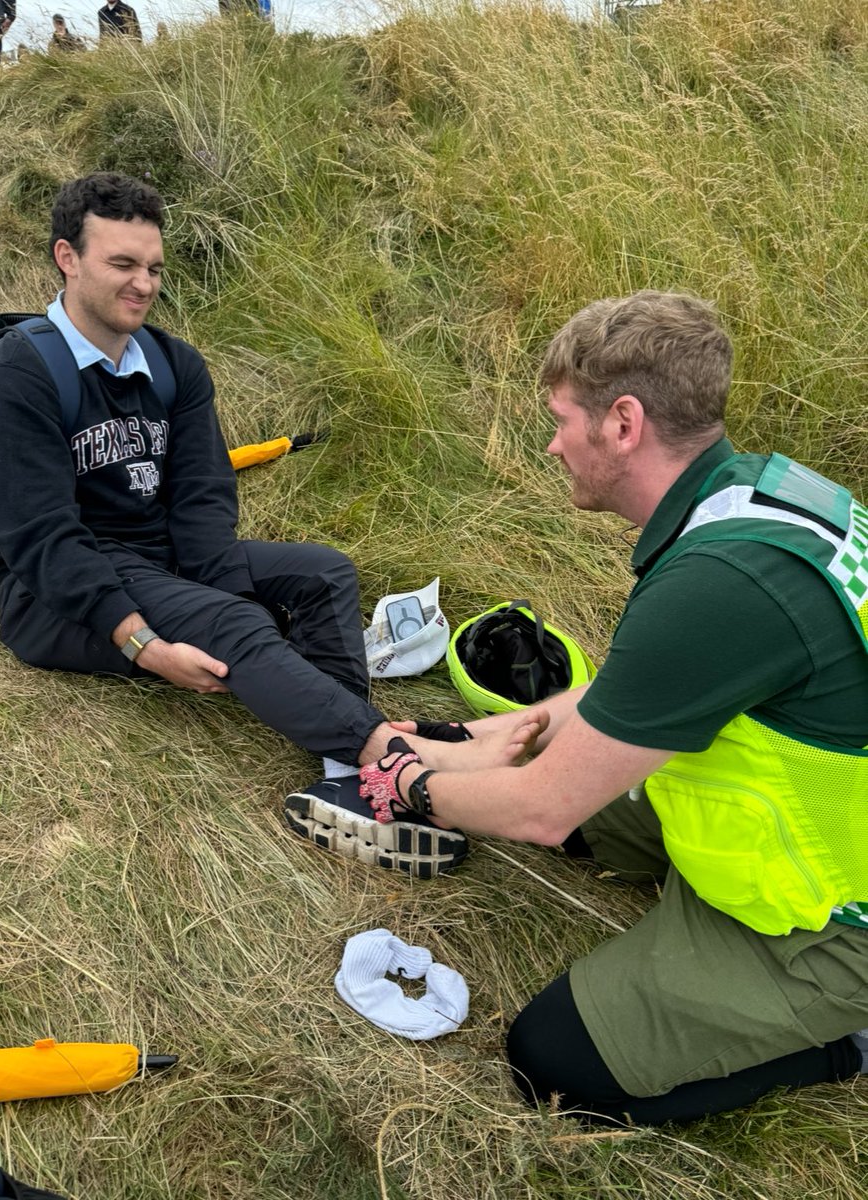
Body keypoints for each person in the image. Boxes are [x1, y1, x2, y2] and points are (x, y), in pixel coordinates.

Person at [346, 290, 868, 1125]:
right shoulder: (750, 499)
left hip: (840, 919)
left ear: (623, 423)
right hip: (798, 815)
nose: (552, 444)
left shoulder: (719, 588)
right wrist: (464, 738)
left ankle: (849, 1040)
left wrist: (414, 785)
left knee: (552, 1066)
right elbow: (645, 689)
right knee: (594, 818)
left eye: (561, 420)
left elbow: (546, 809)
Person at [0, 173, 531, 875]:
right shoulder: (18, 375)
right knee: (240, 628)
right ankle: (403, 763)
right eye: (122, 264)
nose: (144, 284)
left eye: (153, 268)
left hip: (164, 557)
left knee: (324, 574)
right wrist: (147, 644)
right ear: (67, 257)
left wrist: (216, 588)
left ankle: (349, 775)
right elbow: (42, 541)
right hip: (57, 597)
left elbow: (203, 495)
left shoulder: (173, 365)